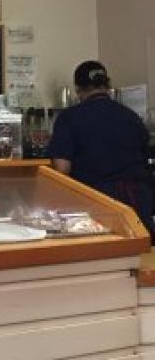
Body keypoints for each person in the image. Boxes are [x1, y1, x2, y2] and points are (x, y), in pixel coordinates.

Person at [49, 60, 153, 239]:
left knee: (104, 252)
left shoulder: (69, 117)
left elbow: (62, 169)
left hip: (98, 203)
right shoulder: (132, 116)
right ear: (107, 86)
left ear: (78, 89)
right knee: (140, 252)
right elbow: (145, 160)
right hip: (138, 202)